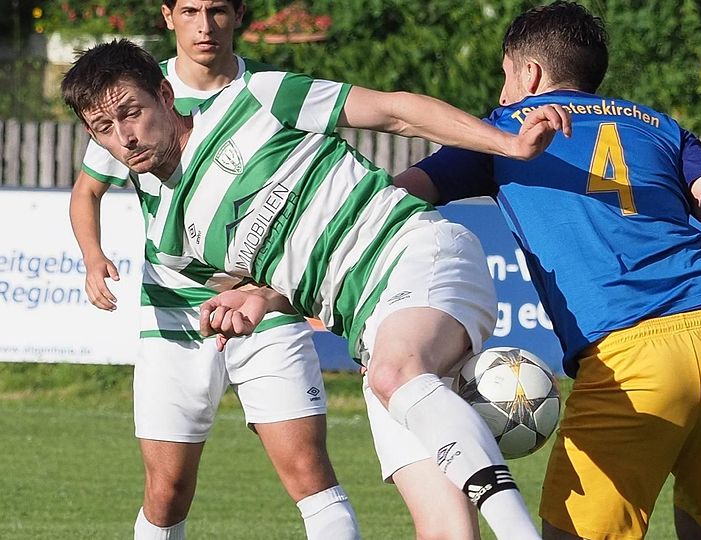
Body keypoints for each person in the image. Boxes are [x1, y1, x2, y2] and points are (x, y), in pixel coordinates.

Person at [61, 38, 570, 540]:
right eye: (104, 128)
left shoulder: (254, 97)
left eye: (131, 112)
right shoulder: (172, 239)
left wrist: (506, 143)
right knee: (443, 526)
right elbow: (297, 274)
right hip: (368, 329)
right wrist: (258, 299)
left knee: (397, 372)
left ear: (165, 96)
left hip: (413, 252)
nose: (124, 137)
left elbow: (395, 113)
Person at [391, 2, 701, 539]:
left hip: (632, 359)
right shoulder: (656, 126)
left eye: (505, 76)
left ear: (530, 74)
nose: (501, 94)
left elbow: (398, 196)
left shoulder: (501, 131)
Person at [69, 1, 360, 538]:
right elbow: (86, 191)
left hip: (264, 303)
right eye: (190, 11)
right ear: (167, 16)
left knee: (311, 477)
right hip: (174, 317)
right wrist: (93, 258)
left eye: (217, 10)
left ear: (238, 13)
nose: (204, 26)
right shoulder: (128, 101)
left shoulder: (265, 93)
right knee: (166, 492)